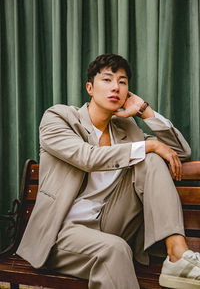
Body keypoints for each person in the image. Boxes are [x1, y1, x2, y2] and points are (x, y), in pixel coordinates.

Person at [17, 54, 200, 289]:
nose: (116, 87)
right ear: (90, 88)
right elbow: (87, 158)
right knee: (114, 250)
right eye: (107, 80)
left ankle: (177, 256)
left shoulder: (126, 129)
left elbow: (180, 152)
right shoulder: (58, 118)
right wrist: (149, 145)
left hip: (110, 225)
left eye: (122, 82)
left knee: (152, 159)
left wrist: (145, 111)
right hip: (62, 233)